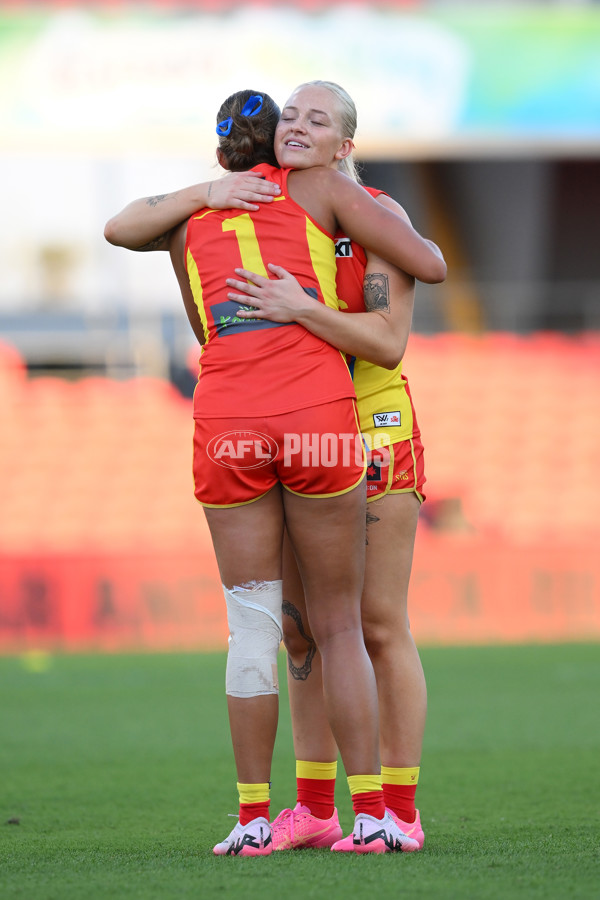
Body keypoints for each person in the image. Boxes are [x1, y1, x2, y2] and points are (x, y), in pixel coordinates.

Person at [105, 87, 445, 857]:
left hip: (371, 418)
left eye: (316, 120)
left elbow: (389, 343)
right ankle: (318, 810)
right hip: (304, 422)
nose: (296, 127)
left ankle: (398, 809)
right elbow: (203, 309)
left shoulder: (370, 209)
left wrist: (297, 309)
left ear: (344, 146)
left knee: (375, 624)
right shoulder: (262, 205)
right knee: (300, 633)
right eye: (289, 116)